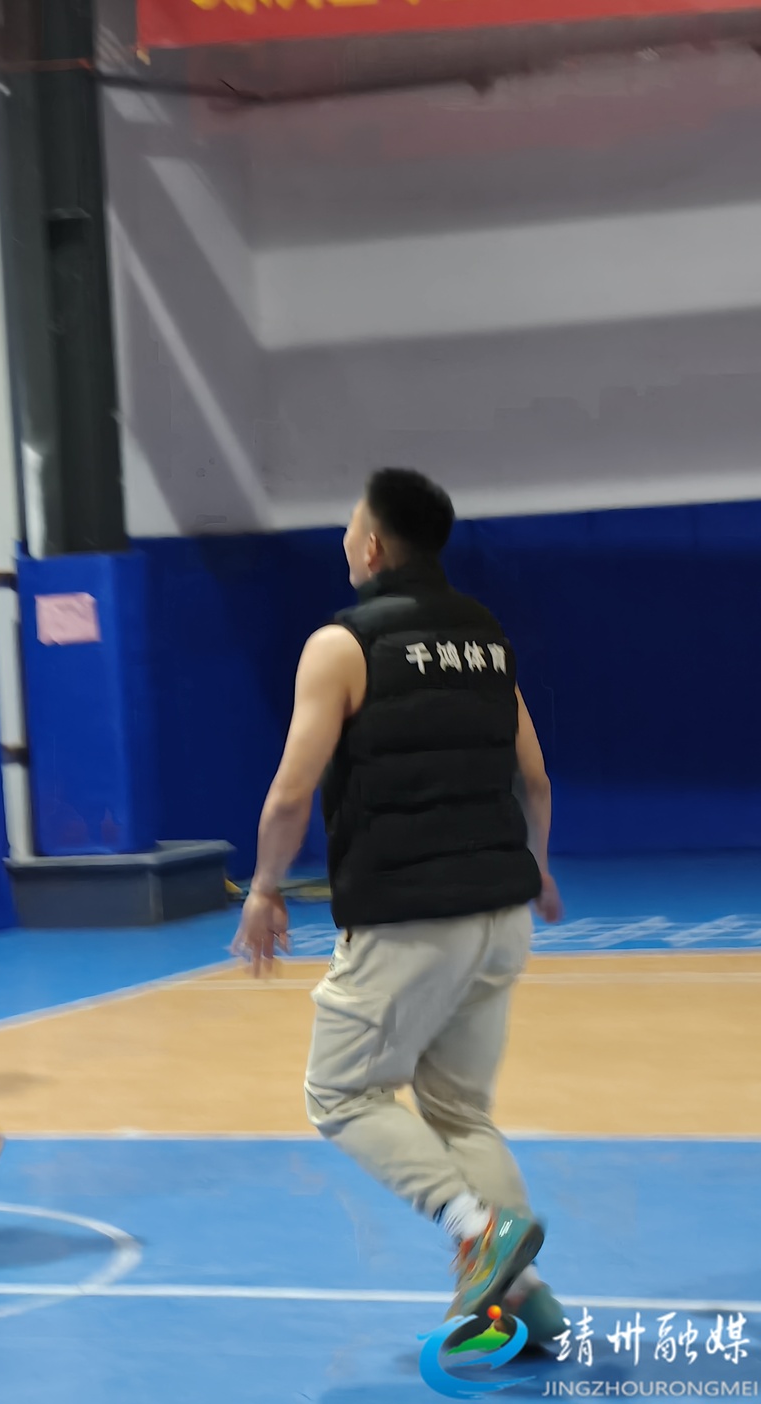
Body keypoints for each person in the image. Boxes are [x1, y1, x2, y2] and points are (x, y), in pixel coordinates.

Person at [231, 468, 567, 1346]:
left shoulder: (341, 645)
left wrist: (263, 889)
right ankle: (522, 1298)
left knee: (341, 1094)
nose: (346, 539)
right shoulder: (486, 637)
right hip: (501, 913)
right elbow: (533, 776)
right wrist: (538, 868)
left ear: (374, 545)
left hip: (410, 915)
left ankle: (476, 1231)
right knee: (461, 1113)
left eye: (352, 526)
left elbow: (290, 793)